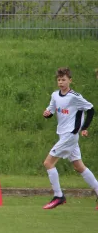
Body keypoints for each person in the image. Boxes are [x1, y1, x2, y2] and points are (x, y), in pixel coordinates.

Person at [42, 67, 96, 210]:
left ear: (70, 81)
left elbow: (91, 109)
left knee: (48, 163)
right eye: (59, 80)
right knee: (79, 166)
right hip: (63, 135)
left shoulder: (75, 97)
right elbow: (51, 110)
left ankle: (58, 196)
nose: (61, 82)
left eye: (64, 80)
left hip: (70, 135)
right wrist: (47, 114)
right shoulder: (55, 95)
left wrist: (84, 127)